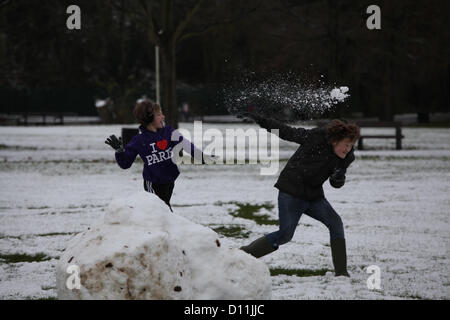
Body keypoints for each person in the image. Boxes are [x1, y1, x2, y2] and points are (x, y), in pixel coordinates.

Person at [239, 112, 360, 277]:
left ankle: (341, 273)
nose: (348, 149)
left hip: (314, 196)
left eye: (351, 145)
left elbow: (335, 181)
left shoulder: (346, 157)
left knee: (335, 223)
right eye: (346, 144)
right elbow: (286, 131)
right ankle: (242, 255)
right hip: (291, 191)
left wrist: (339, 178)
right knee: (285, 235)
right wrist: (260, 119)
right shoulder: (316, 137)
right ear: (335, 140)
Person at [105, 99, 206, 211]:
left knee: (160, 212)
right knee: (163, 211)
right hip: (153, 183)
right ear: (149, 118)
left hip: (169, 181)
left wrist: (200, 156)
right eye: (159, 115)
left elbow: (185, 144)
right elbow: (125, 164)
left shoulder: (168, 132)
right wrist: (119, 151)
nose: (163, 117)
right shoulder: (139, 140)